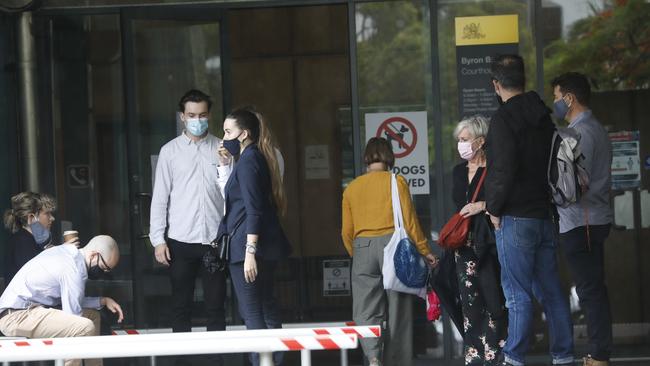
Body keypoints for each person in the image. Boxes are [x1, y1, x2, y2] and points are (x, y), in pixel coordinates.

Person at [485, 54, 574, 366]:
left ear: (496, 85)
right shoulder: (543, 115)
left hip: (516, 216)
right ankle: (563, 355)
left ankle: (513, 356)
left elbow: (502, 170)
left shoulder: (503, 119)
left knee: (517, 293)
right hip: (545, 215)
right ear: (523, 80)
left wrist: (493, 209)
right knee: (551, 291)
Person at [149, 89, 231, 363]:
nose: (198, 120)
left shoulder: (223, 148)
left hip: (213, 241)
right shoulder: (169, 152)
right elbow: (160, 197)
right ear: (182, 117)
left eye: (203, 115)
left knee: (216, 307)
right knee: (180, 307)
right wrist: (158, 240)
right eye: (192, 115)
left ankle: (215, 362)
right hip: (180, 241)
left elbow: (230, 194)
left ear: (210, 116)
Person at [341, 137, 437, 366]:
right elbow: (409, 222)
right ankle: (397, 361)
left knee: (365, 310)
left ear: (366, 158)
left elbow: (346, 230)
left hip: (362, 247)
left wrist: (357, 254)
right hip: (393, 247)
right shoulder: (397, 182)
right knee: (398, 311)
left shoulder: (352, 188)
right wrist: (424, 250)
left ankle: (373, 357)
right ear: (389, 157)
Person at [217, 107, 291, 366]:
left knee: (252, 312)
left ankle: (264, 362)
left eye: (228, 131)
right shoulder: (255, 158)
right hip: (263, 247)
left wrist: (249, 252)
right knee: (267, 306)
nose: (223, 136)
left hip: (247, 249)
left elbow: (253, 209)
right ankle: (273, 361)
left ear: (244, 133)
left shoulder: (249, 161)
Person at [551, 72, 613, 366]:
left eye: (556, 97)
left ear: (569, 98)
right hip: (590, 219)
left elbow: (575, 184)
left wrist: (553, 192)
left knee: (589, 290)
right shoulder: (594, 128)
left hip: (581, 221)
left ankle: (599, 354)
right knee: (592, 288)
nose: (555, 103)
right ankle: (599, 351)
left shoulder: (581, 133)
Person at [0, 235, 123, 366]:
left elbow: (72, 300)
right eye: (104, 268)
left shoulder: (68, 253)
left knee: (92, 317)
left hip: (27, 311)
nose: (103, 272)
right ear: (93, 255)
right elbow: (74, 315)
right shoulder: (74, 269)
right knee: (83, 327)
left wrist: (102, 300)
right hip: (17, 316)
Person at [450, 116, 506, 365]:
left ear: (481, 141)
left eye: (465, 139)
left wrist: (482, 206)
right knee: (470, 303)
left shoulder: (495, 169)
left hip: (491, 244)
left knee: (495, 299)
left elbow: (504, 201)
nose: (460, 145)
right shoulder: (458, 172)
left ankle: (496, 353)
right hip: (464, 245)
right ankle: (474, 355)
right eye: (458, 140)